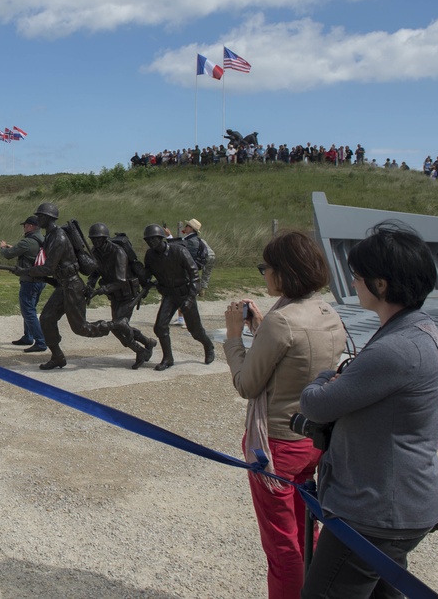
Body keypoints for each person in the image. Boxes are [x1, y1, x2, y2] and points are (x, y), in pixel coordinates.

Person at [299, 223, 438, 599]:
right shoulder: (420, 328)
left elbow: (315, 404)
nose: (354, 284)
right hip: (401, 505)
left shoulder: (396, 349)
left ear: (381, 285)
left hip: (375, 514)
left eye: (358, 277)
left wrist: (323, 377)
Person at [222, 231, 347, 599]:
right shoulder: (326, 312)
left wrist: (233, 338)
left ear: (282, 272)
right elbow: (294, 361)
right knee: (306, 529)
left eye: (266, 267)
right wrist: (260, 329)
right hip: (312, 438)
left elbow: (247, 384)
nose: (264, 274)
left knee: (280, 545)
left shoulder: (282, 322)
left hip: (275, 445)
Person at [15, 202, 90, 370]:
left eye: (40, 216)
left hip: (72, 286)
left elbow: (48, 267)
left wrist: (25, 271)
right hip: (63, 285)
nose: (37, 219)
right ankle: (58, 357)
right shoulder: (49, 236)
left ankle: (119, 326)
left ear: (48, 218)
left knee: (82, 328)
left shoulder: (59, 237)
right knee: (47, 319)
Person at [142, 224, 215, 370]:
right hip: (169, 294)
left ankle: (209, 346)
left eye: (153, 239)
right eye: (148, 240)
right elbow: (147, 274)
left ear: (161, 238)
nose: (150, 242)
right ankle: (168, 358)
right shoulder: (150, 255)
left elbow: (195, 276)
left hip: (185, 293)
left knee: (195, 331)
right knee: (160, 327)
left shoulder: (179, 251)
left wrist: (189, 298)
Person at [85, 223, 157, 368]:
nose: (95, 242)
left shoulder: (118, 252)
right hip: (114, 295)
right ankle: (148, 343)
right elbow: (95, 271)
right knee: (120, 327)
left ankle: (140, 350)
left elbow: (121, 281)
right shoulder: (96, 252)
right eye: (93, 239)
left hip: (127, 293)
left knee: (118, 326)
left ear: (105, 238)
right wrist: (91, 283)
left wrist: (100, 290)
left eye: (98, 239)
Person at [0, 215, 47, 353]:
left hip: (30, 281)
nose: (24, 228)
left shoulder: (27, 241)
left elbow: (8, 254)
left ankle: (40, 341)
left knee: (28, 311)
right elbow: (31, 253)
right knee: (30, 309)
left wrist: (3, 247)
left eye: (25, 225)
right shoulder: (42, 239)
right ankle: (28, 337)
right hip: (40, 280)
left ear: (30, 226)